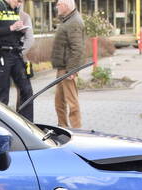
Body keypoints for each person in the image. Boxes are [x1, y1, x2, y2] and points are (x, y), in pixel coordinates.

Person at [0, 0, 34, 121]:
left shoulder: (13, 10)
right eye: (18, 1)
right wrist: (12, 27)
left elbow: (9, 33)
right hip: (2, 54)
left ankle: (26, 123)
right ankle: (0, 124)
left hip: (15, 53)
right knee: (2, 92)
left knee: (26, 89)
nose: (19, 4)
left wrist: (19, 31)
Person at [51, 0, 84, 128]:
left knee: (72, 102)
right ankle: (62, 127)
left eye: (58, 4)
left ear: (66, 6)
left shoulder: (74, 22)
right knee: (59, 101)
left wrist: (72, 70)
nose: (56, 7)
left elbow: (77, 48)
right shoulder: (67, 20)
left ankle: (77, 130)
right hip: (62, 68)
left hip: (67, 69)